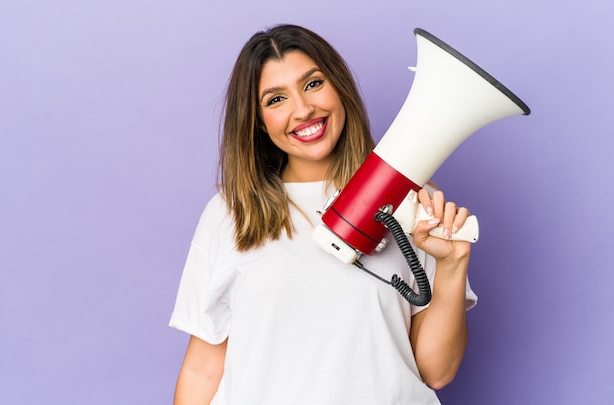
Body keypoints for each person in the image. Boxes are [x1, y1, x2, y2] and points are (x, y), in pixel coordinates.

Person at [169, 24, 477, 404]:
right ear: (257, 122)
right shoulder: (231, 214)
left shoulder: (413, 203)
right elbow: (202, 368)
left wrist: (453, 264)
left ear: (340, 88)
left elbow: (437, 371)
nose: (303, 110)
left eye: (313, 84)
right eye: (275, 99)